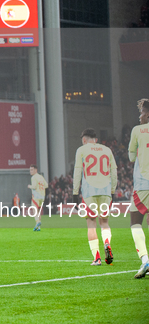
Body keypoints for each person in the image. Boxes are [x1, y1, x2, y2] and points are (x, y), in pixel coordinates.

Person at [72, 128, 117, 266]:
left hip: (89, 192)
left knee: (91, 224)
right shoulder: (107, 150)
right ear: (95, 139)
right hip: (105, 191)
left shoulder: (81, 150)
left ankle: (97, 258)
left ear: (84, 140)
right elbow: (114, 171)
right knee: (104, 223)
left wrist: (75, 193)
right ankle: (107, 243)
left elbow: (77, 172)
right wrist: (113, 191)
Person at [128, 98, 149, 279]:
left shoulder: (137, 130)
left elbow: (132, 157)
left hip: (143, 184)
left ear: (147, 114)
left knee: (135, 221)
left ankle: (145, 259)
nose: (140, 117)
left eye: (141, 113)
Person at [28, 165, 48, 231]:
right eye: (30, 170)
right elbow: (46, 185)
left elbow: (34, 186)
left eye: (32, 170)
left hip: (36, 196)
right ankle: (38, 227)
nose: (30, 171)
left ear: (36, 170)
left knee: (34, 210)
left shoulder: (33, 177)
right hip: (42, 196)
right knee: (38, 211)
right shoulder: (41, 177)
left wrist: (29, 186)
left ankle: (37, 222)